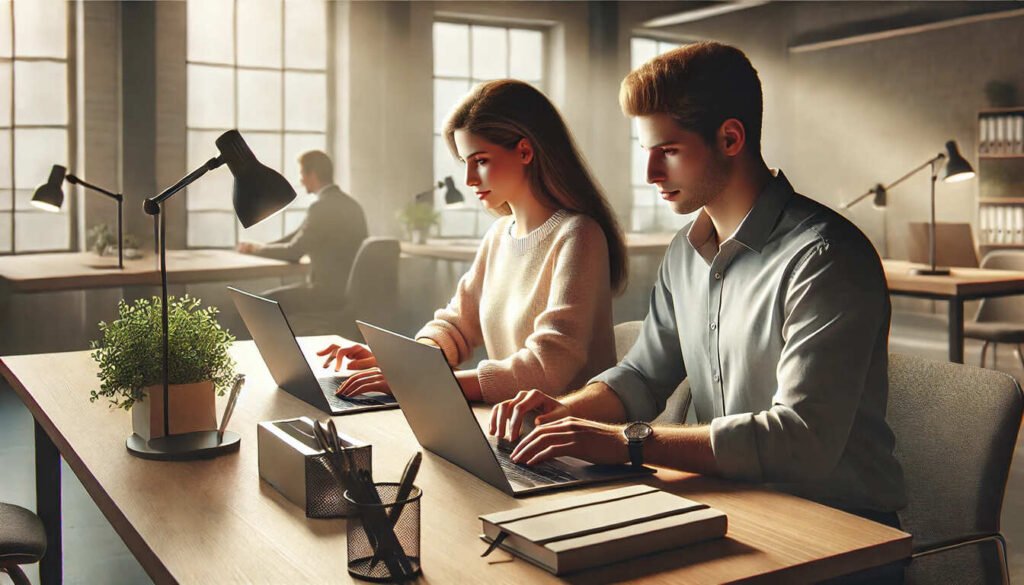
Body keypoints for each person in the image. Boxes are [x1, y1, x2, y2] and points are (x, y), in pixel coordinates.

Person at [489, 42, 907, 546]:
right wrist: (566, 412)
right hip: (729, 508)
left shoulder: (825, 259)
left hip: (839, 537)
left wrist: (625, 443)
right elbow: (642, 376)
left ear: (730, 138)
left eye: (668, 151)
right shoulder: (684, 254)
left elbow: (801, 440)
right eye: (646, 152)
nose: (650, 175)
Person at [319, 79, 628, 404]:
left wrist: (424, 381)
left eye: (480, 161)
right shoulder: (499, 235)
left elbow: (547, 367)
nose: (468, 180)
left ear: (525, 151)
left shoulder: (578, 235)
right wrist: (404, 362)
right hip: (508, 425)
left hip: (567, 440)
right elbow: (457, 325)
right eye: (465, 162)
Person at [237, 150, 367, 311]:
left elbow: (294, 251)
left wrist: (256, 250)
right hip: (348, 293)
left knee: (255, 306)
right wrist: (260, 246)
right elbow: (297, 236)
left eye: (301, 174)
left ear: (312, 175)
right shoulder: (352, 205)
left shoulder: (321, 208)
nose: (301, 180)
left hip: (326, 294)